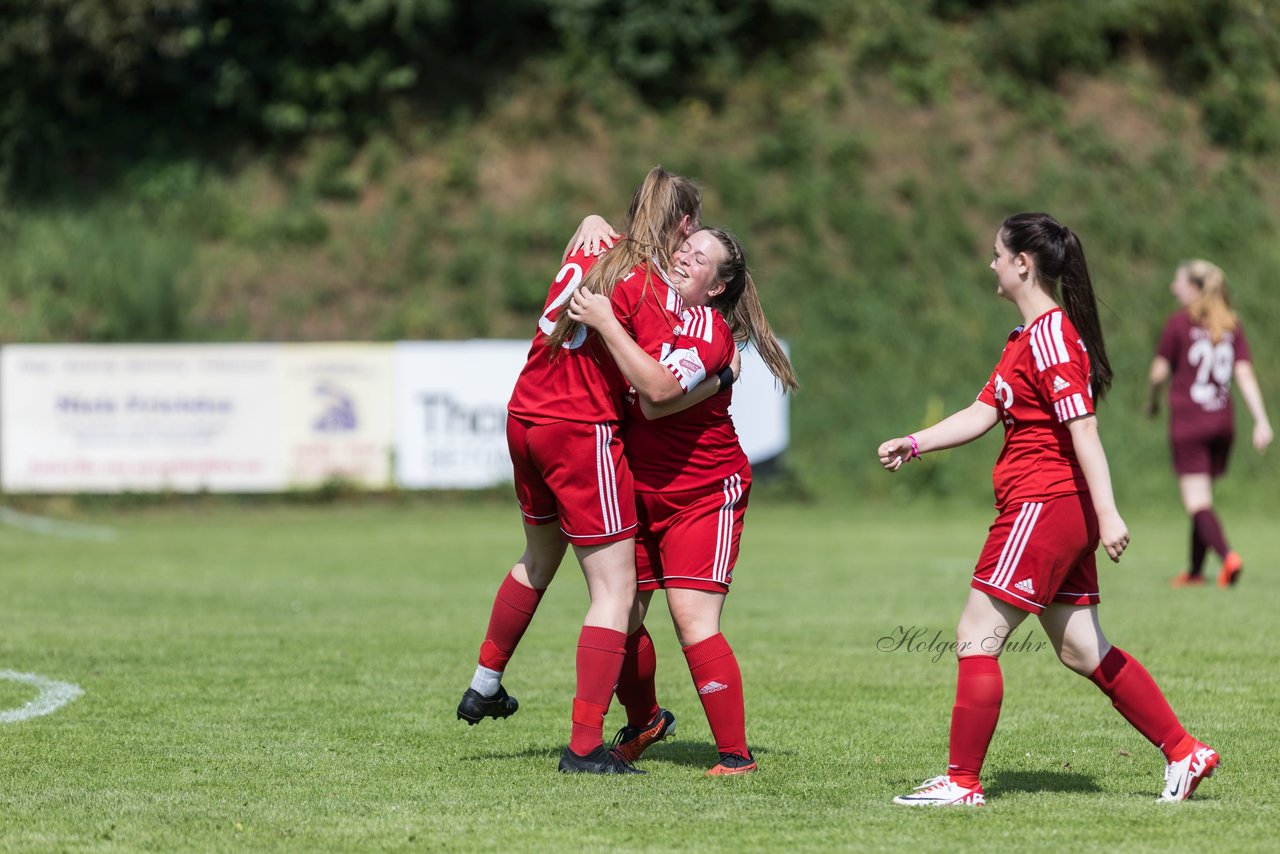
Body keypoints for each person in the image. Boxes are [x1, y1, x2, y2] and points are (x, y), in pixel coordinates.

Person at [876, 213, 1219, 806]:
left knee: (976, 633)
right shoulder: (1025, 339)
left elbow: (1084, 429)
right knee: (1082, 648)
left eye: (996, 255)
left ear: (1022, 264)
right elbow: (981, 414)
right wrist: (915, 442)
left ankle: (961, 783)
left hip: (1045, 503)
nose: (991, 265)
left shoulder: (1053, 338)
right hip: (1052, 505)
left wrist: (1109, 515)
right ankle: (1185, 752)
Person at [455, 166, 704, 775]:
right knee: (616, 592)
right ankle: (586, 745)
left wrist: (591, 218)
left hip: (525, 416)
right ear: (685, 224)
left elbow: (588, 229)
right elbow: (656, 385)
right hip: (578, 428)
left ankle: (485, 682)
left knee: (538, 558)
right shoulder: (647, 285)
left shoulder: (595, 245)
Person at [568, 226, 798, 776]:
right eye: (684, 249)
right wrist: (597, 221)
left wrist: (604, 323)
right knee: (618, 612)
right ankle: (645, 720)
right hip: (637, 487)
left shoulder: (704, 327)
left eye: (700, 260)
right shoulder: (650, 306)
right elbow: (630, 237)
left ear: (716, 288)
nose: (683, 259)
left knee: (691, 617)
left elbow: (655, 400)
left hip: (702, 493)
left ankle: (736, 757)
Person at [1146, 259, 1273, 588]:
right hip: (1222, 422)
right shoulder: (1231, 324)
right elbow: (1243, 373)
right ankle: (1195, 571)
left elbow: (1159, 371)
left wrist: (1153, 398)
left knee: (1197, 501)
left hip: (1190, 422)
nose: (1174, 288)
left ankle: (1228, 556)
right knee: (1202, 499)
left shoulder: (1178, 324)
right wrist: (1261, 420)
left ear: (1194, 288)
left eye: (1178, 282)